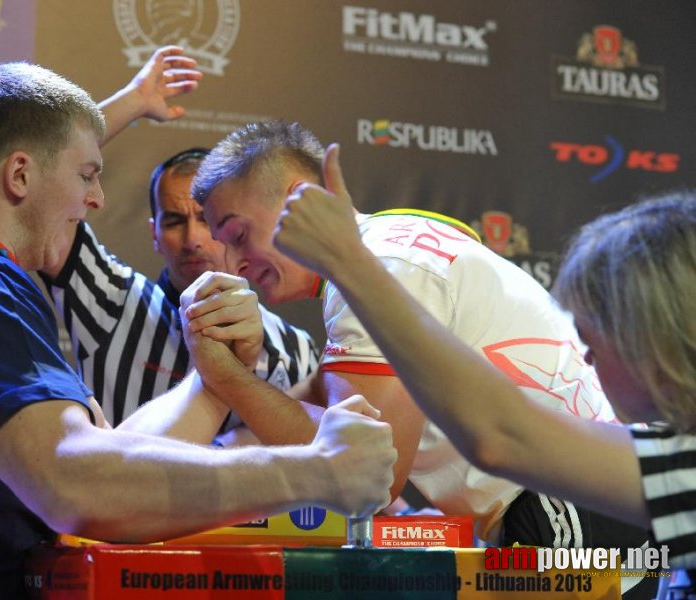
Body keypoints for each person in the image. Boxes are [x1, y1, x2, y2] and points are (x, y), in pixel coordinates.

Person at [0, 61, 397, 597]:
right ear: (20, 174)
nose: (95, 198)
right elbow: (75, 481)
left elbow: (105, 457)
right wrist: (319, 469)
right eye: (88, 174)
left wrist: (214, 379)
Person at [186, 120, 656, 596]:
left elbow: (369, 469)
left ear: (301, 198)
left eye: (239, 235)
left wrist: (225, 376)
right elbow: (321, 419)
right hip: (591, 496)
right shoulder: (393, 244)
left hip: (571, 502)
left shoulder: (380, 267)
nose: (232, 262)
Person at [274, 180, 696, 584]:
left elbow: (498, 435)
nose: (585, 357)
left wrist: (349, 262)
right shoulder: (671, 460)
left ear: (657, 336)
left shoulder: (682, 466)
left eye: (595, 339)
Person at [41, 146, 318, 428]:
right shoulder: (110, 299)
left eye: (205, 220)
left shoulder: (297, 349)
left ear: (235, 227)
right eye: (174, 221)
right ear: (155, 235)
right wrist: (132, 103)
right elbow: (43, 188)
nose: (192, 240)